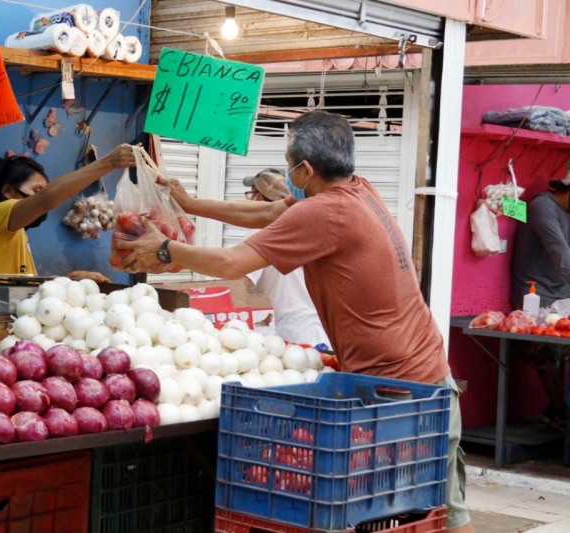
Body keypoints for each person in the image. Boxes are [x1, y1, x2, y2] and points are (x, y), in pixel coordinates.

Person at [118, 111, 472, 532]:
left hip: (401, 391)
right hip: (418, 379)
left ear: (305, 170)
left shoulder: (326, 212)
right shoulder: (357, 191)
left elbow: (232, 262)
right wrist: (190, 204)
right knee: (425, 510)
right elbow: (265, 216)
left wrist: (166, 249)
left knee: (437, 516)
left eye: (289, 164)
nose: (286, 174)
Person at [0, 145, 135, 281]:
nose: (39, 199)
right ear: (8, 191)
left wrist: (66, 282)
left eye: (42, 191)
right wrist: (109, 162)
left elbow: (22, 291)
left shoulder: (16, 233)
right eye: (36, 190)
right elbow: (46, 199)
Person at [509, 174, 570, 430]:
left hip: (562, 293)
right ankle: (557, 411)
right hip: (535, 295)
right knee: (548, 348)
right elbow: (560, 252)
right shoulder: (542, 207)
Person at [242, 169, 329, 345]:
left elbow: (238, 281)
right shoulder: (310, 232)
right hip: (319, 334)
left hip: (285, 339)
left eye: (251, 194)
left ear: (258, 199)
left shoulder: (262, 235)